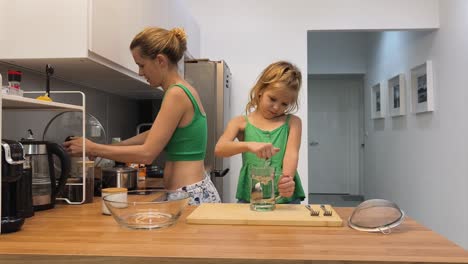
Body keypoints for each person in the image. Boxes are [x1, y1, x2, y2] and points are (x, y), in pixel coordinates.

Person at [64, 27, 221, 205]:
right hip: (191, 192)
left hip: (189, 195)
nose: (140, 72)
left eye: (141, 65)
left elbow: (147, 154)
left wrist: (92, 148)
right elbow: (154, 134)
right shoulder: (182, 89)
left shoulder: (176, 94)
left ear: (160, 60)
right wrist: (108, 147)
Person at [214, 61, 305, 204]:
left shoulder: (293, 122)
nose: (276, 107)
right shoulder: (240, 122)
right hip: (254, 192)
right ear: (260, 90)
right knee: (254, 221)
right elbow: (220, 149)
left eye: (284, 104)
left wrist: (287, 180)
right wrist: (249, 145)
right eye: (273, 99)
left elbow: (291, 154)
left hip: (285, 197)